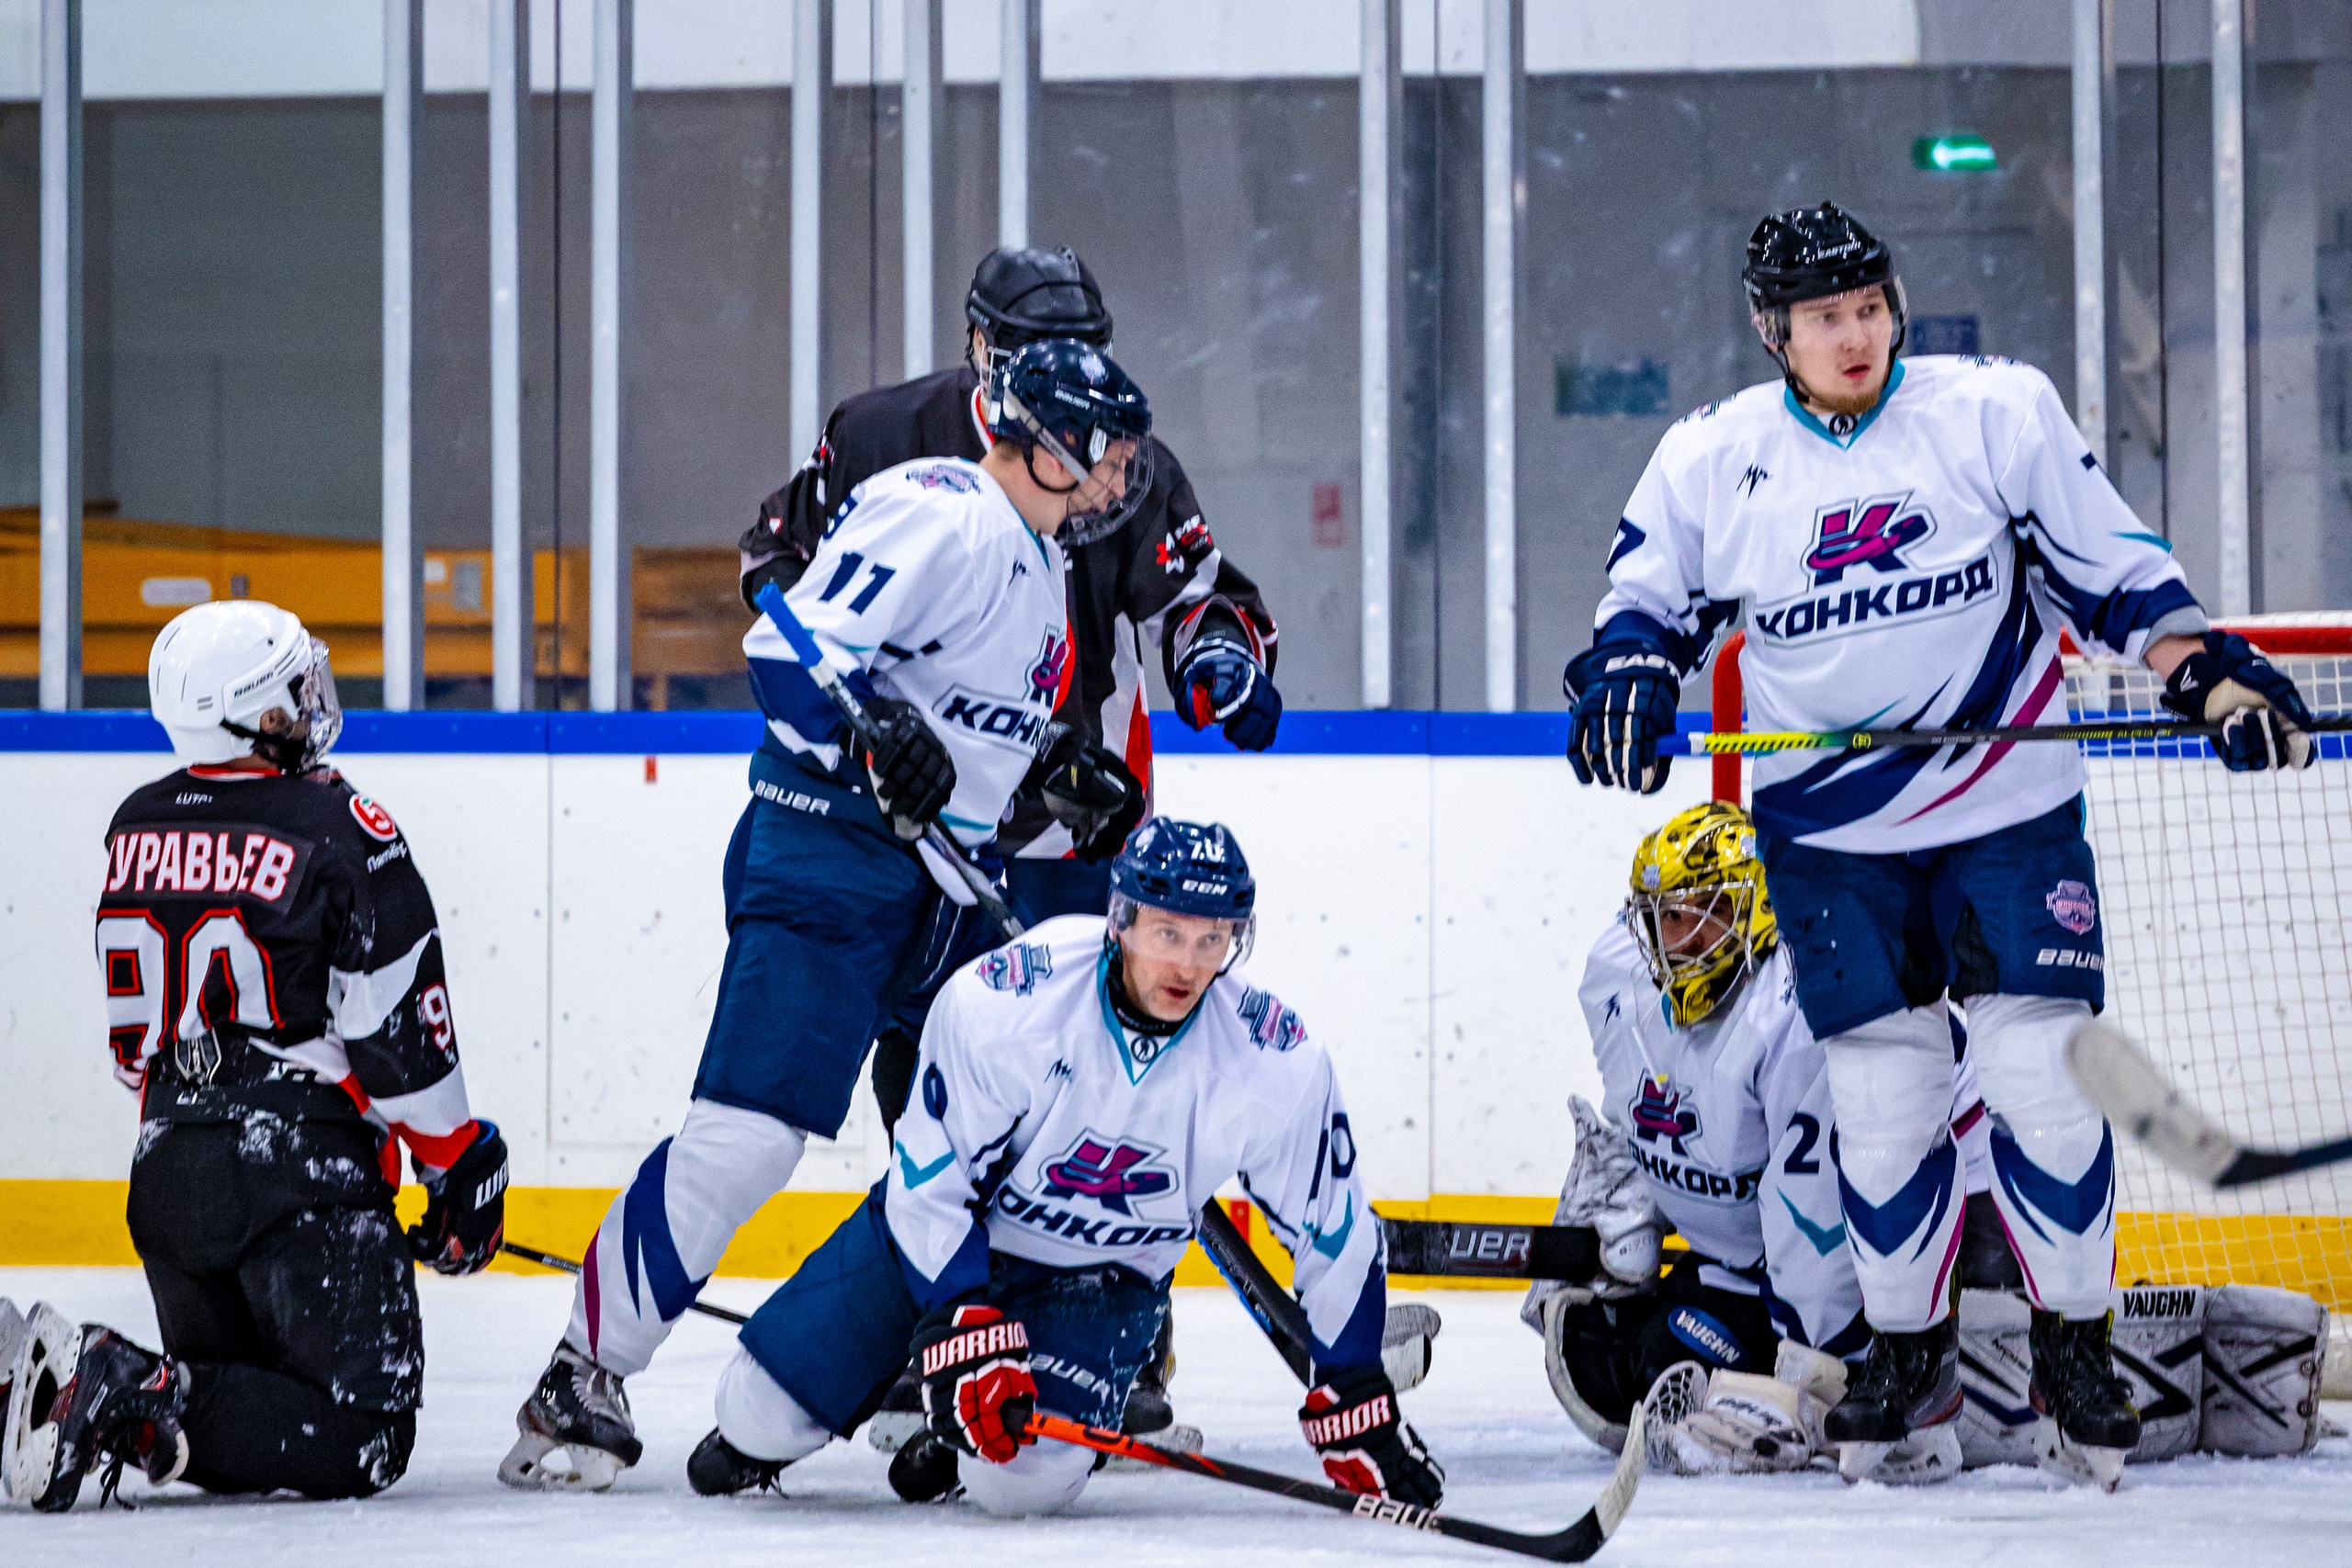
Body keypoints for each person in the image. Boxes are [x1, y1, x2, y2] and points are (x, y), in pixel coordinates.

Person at [1561, 200, 2319, 1490]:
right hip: (1829, 835)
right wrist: (1626, 675)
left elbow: (2110, 569)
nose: (1855, 335)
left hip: (2005, 805)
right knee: (1881, 1098)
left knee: (2040, 1072)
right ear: (1773, 332)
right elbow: (1644, 606)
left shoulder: (1992, 412)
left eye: (1869, 308)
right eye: (1823, 318)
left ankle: (2073, 1345)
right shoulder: (1711, 457)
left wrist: (2207, 675)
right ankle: (1907, 1355)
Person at [500, 338, 1155, 1491]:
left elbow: (955, 710)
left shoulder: (1037, 557)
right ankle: (580, 1377)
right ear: (1046, 442)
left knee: (1003, 1134)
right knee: (750, 1135)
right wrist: (870, 730)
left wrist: (1057, 765)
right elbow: (786, 647)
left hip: (943, 888)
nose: (1118, 477)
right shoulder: (939, 507)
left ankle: (934, 1372)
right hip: (830, 857)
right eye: (1104, 451)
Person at [741, 244, 1285, 1437]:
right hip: (920, 822)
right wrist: (866, 724)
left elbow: (1198, 594)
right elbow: (777, 566)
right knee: (939, 1082)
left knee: (1114, 1081)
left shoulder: (1125, 452)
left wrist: (1218, 654)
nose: (1069, 377)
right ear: (980, 346)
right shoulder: (885, 435)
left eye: (1087, 351)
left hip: (1074, 827)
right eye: (1040, 351)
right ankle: (947, 1325)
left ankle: (1117, 1342)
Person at [681, 818, 1445, 1520]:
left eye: (1212, 939)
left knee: (1018, 1483)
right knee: (754, 1413)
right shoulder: (1007, 1000)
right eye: (1168, 932)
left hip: (1104, 1280)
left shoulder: (1273, 1057)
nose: (1187, 964)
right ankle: (898, 1385)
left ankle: (960, 1442)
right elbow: (929, 1181)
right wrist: (960, 1317)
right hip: (950, 1244)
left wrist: (1353, 1386)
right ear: (1122, 919)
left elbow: (1333, 1226)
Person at [1, 602, 508, 1512]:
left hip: (167, 1172)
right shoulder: (343, 824)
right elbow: (398, 1036)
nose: (309, 705)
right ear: (251, 714)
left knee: (224, 1427)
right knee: (361, 1437)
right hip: (296, 1180)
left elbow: (142, 1052)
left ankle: (47, 1393)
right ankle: (116, 1377)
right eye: (291, 693)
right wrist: (459, 1165)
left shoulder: (135, 823)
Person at [1528, 800, 1989, 1483]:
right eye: (1663, 916)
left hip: (1946, 1210)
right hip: (1757, 1257)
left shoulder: (1802, 1003)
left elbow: (1813, 1215)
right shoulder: (1620, 971)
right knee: (1624, 1359)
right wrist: (1631, 1186)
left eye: (1702, 912)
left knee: (1834, 1346)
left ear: (1757, 910)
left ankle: (1913, 1372)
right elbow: (1641, 1094)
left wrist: (1809, 1377)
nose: (1676, 938)